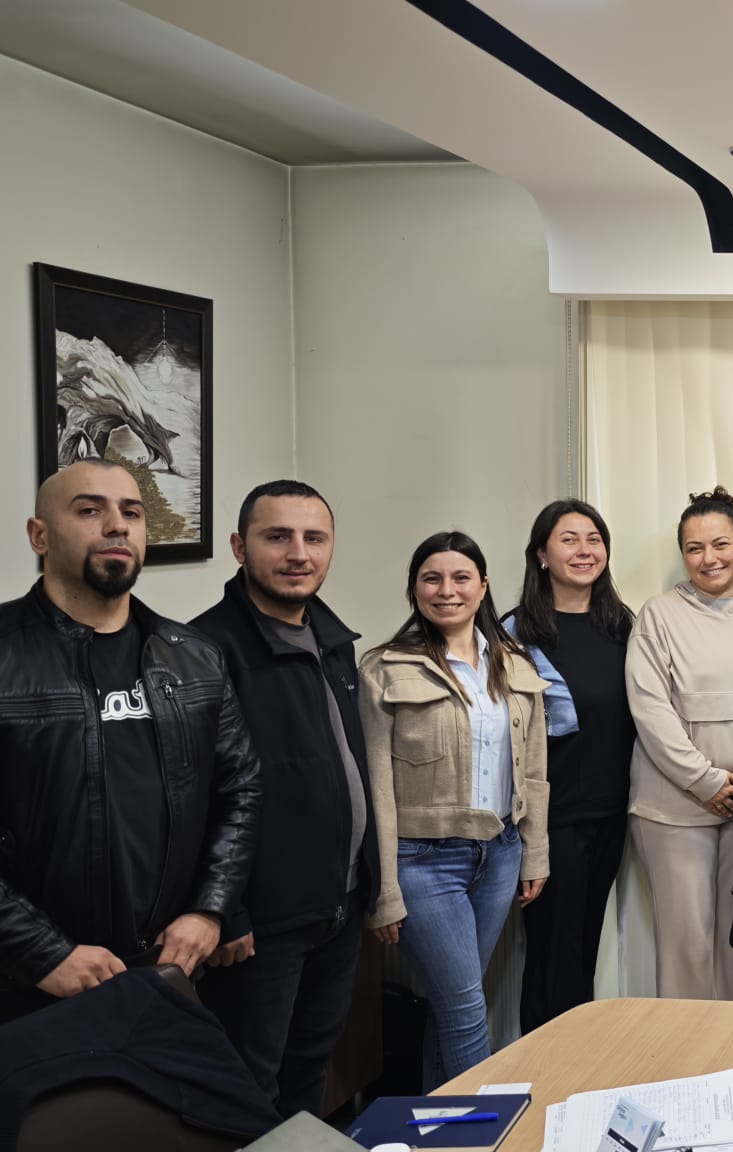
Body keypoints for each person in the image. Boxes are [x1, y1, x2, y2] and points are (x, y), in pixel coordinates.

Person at [0, 460, 261, 1022]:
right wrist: (43, 953)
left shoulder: (194, 656)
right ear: (39, 536)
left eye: (132, 512)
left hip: (167, 970)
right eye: (89, 510)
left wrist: (210, 910)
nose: (117, 525)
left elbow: (240, 790)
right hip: (29, 985)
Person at [190, 480, 377, 1117]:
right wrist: (225, 911)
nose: (299, 553)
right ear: (239, 547)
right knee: (250, 1082)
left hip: (338, 904)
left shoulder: (333, 641)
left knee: (310, 1066)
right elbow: (191, 797)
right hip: (262, 922)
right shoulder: (202, 651)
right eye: (278, 537)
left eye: (314, 538)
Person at [360, 531, 549, 1086]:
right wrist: (384, 891)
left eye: (461, 577)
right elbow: (376, 787)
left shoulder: (513, 663)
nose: (447, 590)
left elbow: (535, 769)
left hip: (499, 855)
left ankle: (438, 1123)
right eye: (432, 579)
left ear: (483, 587)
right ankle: (484, 1123)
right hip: (422, 862)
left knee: (454, 1004)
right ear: (415, 589)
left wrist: (535, 854)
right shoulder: (385, 667)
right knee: (466, 1009)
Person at [626, 487, 733, 1002]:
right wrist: (705, 781)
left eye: (721, 544)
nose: (710, 558)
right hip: (674, 808)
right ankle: (687, 1053)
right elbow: (650, 710)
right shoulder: (658, 614)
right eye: (694, 548)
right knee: (687, 947)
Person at [505, 500, 635, 1030]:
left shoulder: (623, 626)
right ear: (541, 554)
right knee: (551, 955)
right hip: (551, 820)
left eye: (594, 539)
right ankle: (542, 1066)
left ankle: (578, 1062)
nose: (584, 551)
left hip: (612, 812)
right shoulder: (515, 633)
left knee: (584, 949)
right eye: (569, 539)